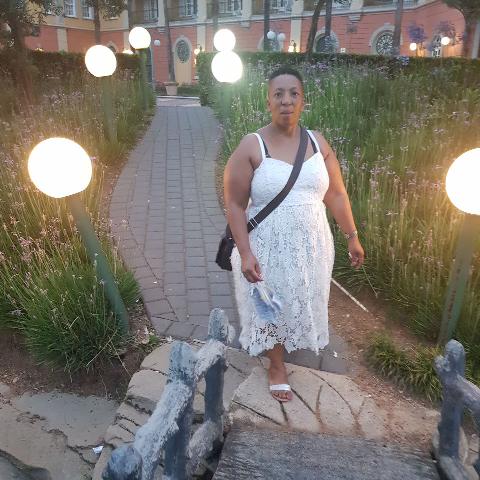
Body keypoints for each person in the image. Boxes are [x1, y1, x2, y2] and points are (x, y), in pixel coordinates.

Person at [223, 66, 364, 402]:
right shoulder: (252, 145)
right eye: (278, 94)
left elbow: (336, 194)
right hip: (266, 243)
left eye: (293, 94)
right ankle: (276, 365)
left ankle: (290, 339)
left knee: (301, 293)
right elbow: (234, 204)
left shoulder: (317, 142)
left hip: (312, 243)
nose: (286, 100)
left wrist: (352, 235)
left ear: (303, 101)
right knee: (270, 302)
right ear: (268, 102)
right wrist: (245, 253)